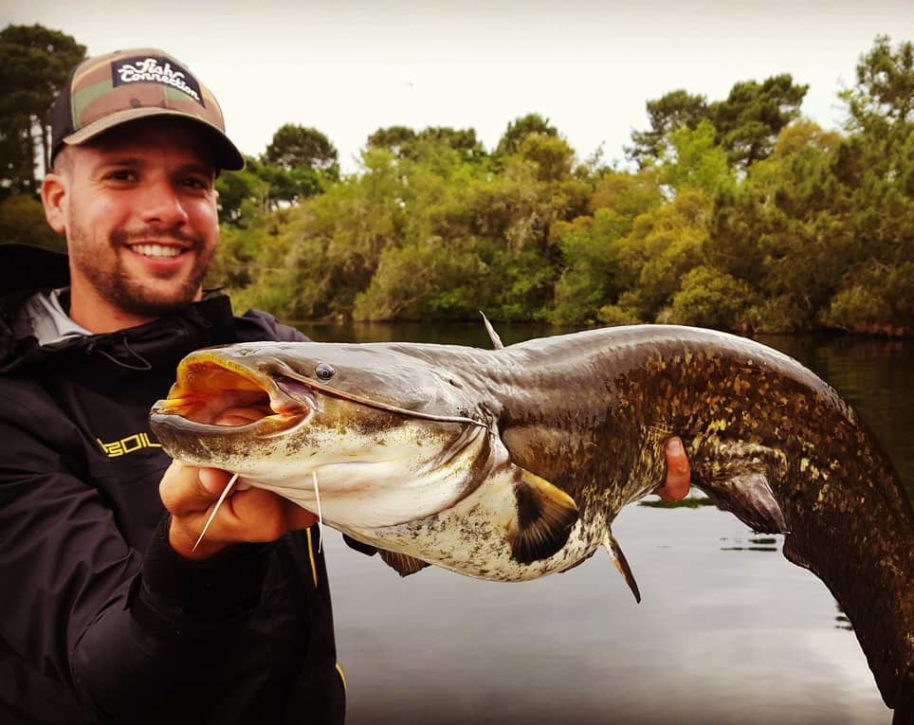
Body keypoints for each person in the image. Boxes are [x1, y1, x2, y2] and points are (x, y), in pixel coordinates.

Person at [0, 48, 690, 724]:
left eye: (192, 181)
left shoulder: (274, 345)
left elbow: (427, 517)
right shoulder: (17, 411)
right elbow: (114, 682)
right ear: (58, 202)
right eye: (123, 175)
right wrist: (198, 559)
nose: (166, 210)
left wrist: (590, 474)